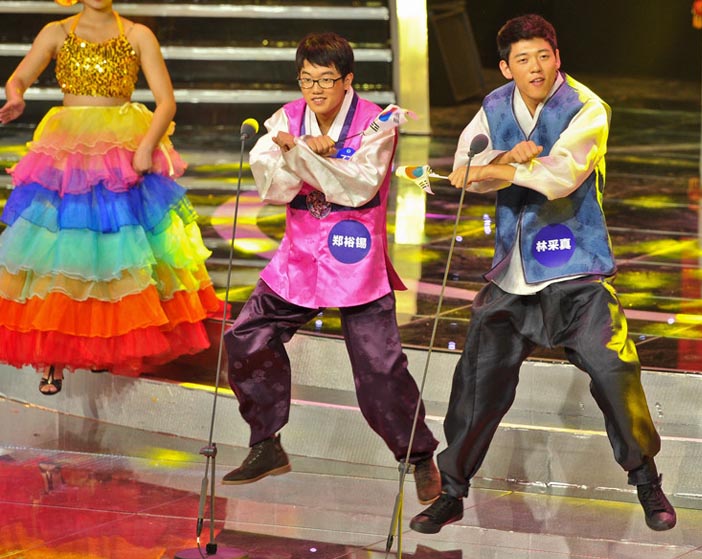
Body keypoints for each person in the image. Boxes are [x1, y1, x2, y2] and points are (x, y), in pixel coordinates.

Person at [410, 14, 676, 533]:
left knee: (613, 371)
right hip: (512, 274)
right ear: (507, 67)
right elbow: (463, 171)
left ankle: (647, 481)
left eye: (543, 56)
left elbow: (560, 176)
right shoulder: (493, 107)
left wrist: (502, 169)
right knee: (477, 384)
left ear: (558, 58)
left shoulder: (587, 108)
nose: (535, 67)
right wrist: (505, 158)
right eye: (523, 59)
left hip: (575, 268)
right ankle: (453, 492)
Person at [221, 32, 441, 505]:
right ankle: (266, 443)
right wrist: (298, 150)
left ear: (348, 81)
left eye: (326, 80)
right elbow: (273, 186)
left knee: (380, 372)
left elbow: (356, 187)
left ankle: (418, 455)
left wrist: (296, 152)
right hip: (298, 259)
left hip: (354, 259)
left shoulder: (377, 123)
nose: (315, 90)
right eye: (306, 80)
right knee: (245, 337)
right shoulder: (286, 118)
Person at [0, 0, 221, 393]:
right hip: (68, 148)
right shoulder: (57, 32)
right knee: (61, 250)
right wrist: (15, 95)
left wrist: (146, 146)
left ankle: (107, 344)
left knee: (117, 250)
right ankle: (52, 356)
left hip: (121, 146)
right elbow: (19, 78)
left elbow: (166, 102)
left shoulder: (138, 34)